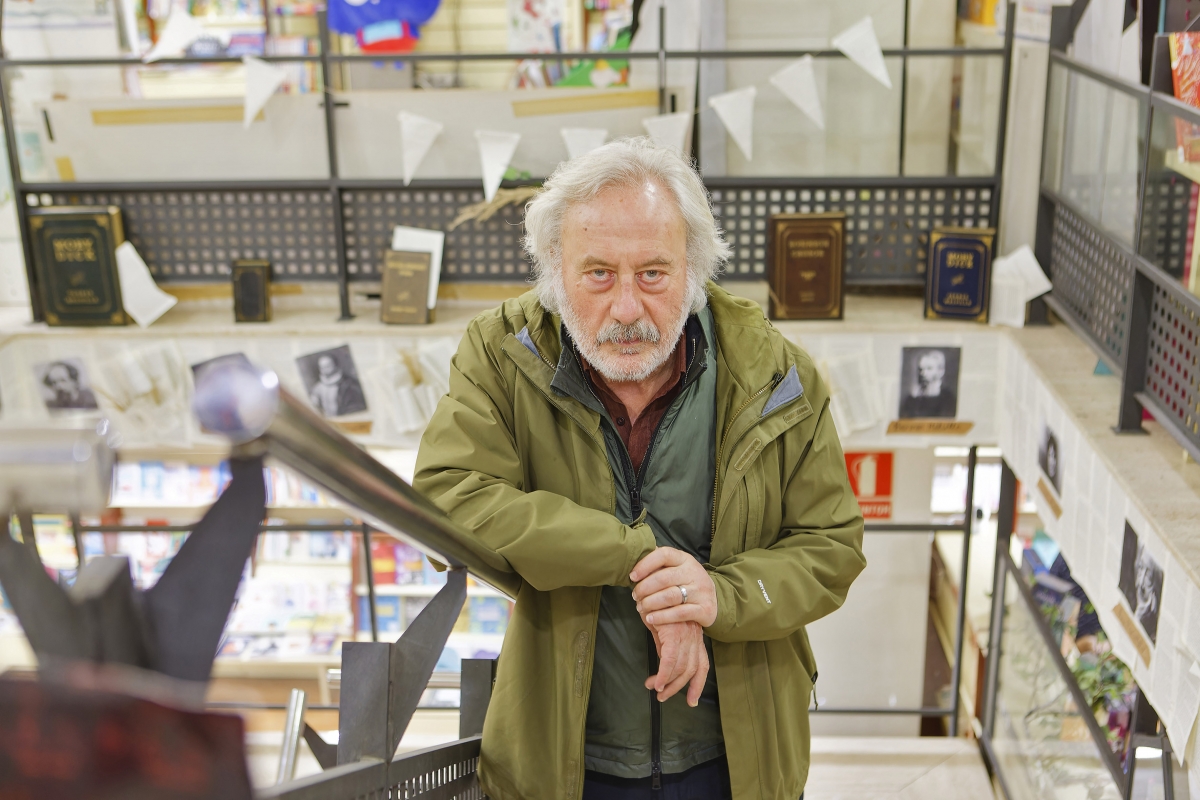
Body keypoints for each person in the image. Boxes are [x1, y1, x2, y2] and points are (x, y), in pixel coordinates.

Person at [413, 138, 866, 800]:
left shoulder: (780, 376)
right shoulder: (499, 355)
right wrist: (639, 554)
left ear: (694, 271)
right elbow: (448, 497)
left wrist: (717, 596)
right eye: (598, 274)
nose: (626, 309)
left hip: (735, 762)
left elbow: (831, 546)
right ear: (554, 270)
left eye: (653, 274)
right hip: (563, 760)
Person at [899, 349, 957, 418]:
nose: (923, 373)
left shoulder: (948, 398)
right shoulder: (912, 399)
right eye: (921, 369)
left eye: (929, 368)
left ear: (940, 371)